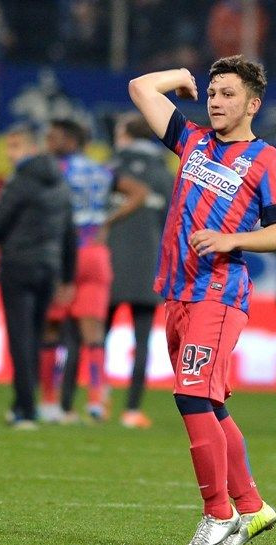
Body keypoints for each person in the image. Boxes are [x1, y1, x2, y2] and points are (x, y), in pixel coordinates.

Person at [128, 55, 276, 545]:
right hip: (177, 292)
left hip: (217, 294)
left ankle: (217, 514)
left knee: (191, 396)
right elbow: (140, 87)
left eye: (228, 94)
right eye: (213, 93)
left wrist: (230, 239)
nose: (216, 102)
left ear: (253, 105)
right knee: (210, 403)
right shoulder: (192, 140)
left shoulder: (267, 159)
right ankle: (253, 507)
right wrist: (181, 77)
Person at [37, 118, 147, 423]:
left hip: (64, 254)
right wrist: (108, 221)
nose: (49, 143)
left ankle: (49, 401)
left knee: (52, 327)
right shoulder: (101, 171)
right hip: (96, 254)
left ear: (72, 141)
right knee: (94, 331)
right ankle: (96, 399)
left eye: (55, 137)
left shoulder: (54, 170)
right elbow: (139, 192)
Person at [0, 124, 77, 429]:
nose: (10, 154)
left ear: (31, 148)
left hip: (18, 266)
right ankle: (21, 404)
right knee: (35, 337)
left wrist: (11, 238)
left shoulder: (20, 181)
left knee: (20, 338)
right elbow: (69, 234)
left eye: (15, 147)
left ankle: (25, 409)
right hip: (49, 269)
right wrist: (68, 277)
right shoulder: (60, 183)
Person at [105, 113, 174, 429]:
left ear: (126, 136)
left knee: (94, 337)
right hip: (148, 266)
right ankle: (132, 410)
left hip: (107, 262)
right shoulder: (164, 174)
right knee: (142, 340)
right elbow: (172, 224)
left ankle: (93, 400)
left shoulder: (109, 168)